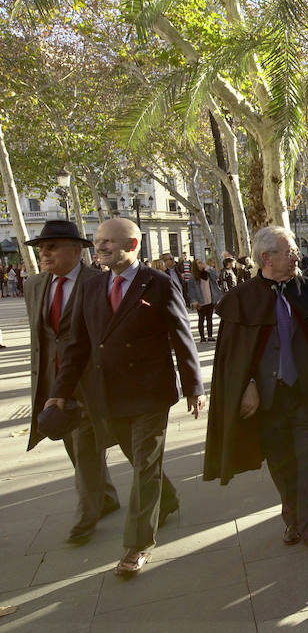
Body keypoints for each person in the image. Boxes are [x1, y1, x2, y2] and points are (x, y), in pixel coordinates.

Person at [46, 218, 204, 578]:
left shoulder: (159, 283)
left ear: (133, 246)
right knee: (138, 459)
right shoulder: (91, 287)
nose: (100, 247)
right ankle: (168, 499)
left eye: (108, 242)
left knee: (146, 463)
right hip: (107, 395)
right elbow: (77, 346)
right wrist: (60, 391)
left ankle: (137, 545)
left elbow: (182, 336)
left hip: (150, 392)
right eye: (98, 241)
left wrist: (194, 387)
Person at [204, 227, 308, 554]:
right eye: (290, 251)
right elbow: (234, 357)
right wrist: (247, 387)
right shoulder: (241, 300)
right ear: (267, 258)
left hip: (305, 397)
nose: (298, 256)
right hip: (266, 400)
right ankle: (292, 514)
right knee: (280, 463)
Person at [24, 221, 120, 543]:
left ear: (77, 250)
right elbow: (42, 337)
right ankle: (107, 498)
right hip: (54, 382)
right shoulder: (34, 285)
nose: (43, 252)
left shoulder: (100, 282)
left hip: (91, 380)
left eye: (51, 246)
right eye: (41, 247)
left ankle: (85, 519)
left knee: (87, 447)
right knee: (72, 445)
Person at [187, 259, 222, 343]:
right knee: (201, 319)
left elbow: (216, 277)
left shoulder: (208, 273)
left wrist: (208, 269)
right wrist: (194, 301)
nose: (201, 264)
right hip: (200, 301)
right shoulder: (193, 277)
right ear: (195, 266)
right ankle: (202, 337)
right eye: (199, 263)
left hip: (210, 299)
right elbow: (191, 290)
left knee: (209, 318)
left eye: (201, 262)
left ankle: (210, 336)